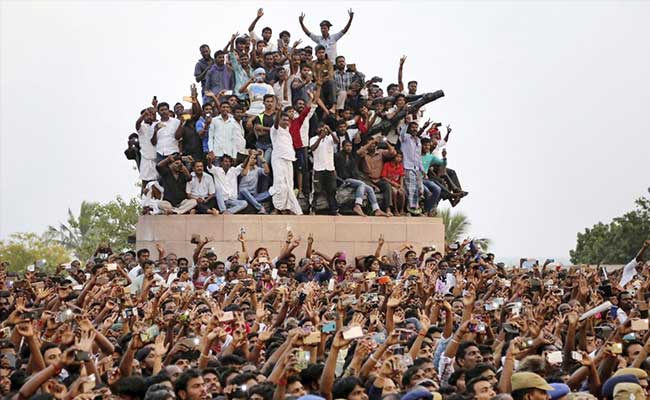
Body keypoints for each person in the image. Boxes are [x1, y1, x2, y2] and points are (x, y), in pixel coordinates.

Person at [334, 140, 387, 217]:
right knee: (361, 184)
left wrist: (372, 185)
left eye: (350, 146)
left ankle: (376, 209)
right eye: (347, 146)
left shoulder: (352, 156)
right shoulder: (337, 155)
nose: (349, 148)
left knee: (369, 188)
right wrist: (371, 142)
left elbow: (356, 173)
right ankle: (357, 205)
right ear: (343, 146)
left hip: (352, 180)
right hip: (343, 180)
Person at [268, 105, 302, 215]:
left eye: (287, 120)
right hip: (278, 159)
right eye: (284, 119)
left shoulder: (287, 130)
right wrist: (278, 112)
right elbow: (276, 123)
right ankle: (277, 207)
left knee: (289, 185)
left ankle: (288, 207)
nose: (286, 122)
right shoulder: (275, 130)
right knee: (279, 184)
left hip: (289, 159)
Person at [358, 137, 397, 216]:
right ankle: (372, 210)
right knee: (369, 189)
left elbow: (393, 152)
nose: (372, 145)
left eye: (373, 143)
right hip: (367, 179)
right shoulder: (364, 153)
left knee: (387, 186)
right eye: (370, 144)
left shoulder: (380, 152)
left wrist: (385, 142)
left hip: (379, 179)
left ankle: (388, 209)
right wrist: (370, 142)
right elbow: (359, 152)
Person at [309, 124, 339, 215]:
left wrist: (330, 131)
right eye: (320, 128)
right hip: (318, 168)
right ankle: (313, 209)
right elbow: (312, 148)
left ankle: (334, 210)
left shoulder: (330, 138)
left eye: (324, 128)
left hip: (330, 168)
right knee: (316, 191)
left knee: (332, 189)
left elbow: (337, 141)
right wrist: (320, 138)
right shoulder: (313, 139)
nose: (323, 130)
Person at [135, 107, 159, 186]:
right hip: (146, 158)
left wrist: (155, 107)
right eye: (146, 115)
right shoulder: (142, 127)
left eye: (151, 115)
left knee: (158, 182)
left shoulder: (155, 126)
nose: (149, 117)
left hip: (156, 158)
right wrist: (145, 113)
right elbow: (137, 123)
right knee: (146, 183)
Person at [381, 151, 406, 216]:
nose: (399, 158)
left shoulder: (400, 166)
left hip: (397, 185)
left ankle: (402, 210)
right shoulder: (387, 165)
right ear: (393, 157)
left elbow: (401, 177)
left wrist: (401, 186)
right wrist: (393, 183)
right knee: (394, 192)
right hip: (390, 184)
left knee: (402, 192)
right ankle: (395, 210)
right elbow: (383, 177)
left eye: (401, 157)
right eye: (397, 157)